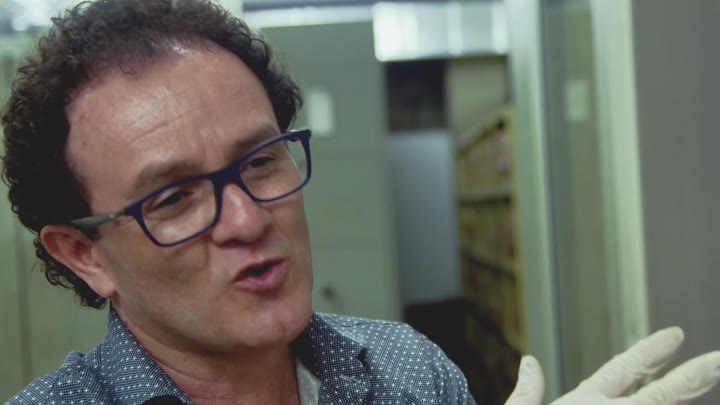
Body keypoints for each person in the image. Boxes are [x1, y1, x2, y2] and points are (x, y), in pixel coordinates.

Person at [1, 1, 719, 404]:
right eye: (175, 199)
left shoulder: (410, 372)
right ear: (85, 254)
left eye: (261, 161)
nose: (248, 219)